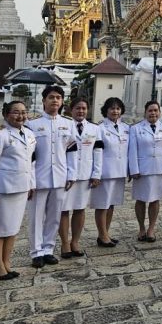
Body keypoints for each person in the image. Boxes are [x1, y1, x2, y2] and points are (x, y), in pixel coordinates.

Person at [0, 100, 35, 281]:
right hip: (2, 189)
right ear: (6, 114)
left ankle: (6, 262)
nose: (21, 116)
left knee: (12, 228)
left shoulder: (29, 133)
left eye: (24, 112)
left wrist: (31, 184)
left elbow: (30, 162)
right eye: (16, 112)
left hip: (20, 188)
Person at [27, 85, 71, 268]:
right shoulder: (33, 124)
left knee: (54, 215)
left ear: (62, 102)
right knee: (36, 216)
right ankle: (36, 251)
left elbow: (72, 151)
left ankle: (48, 248)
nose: (55, 100)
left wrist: (72, 174)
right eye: (51, 97)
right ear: (44, 100)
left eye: (58, 97)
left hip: (60, 175)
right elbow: (28, 155)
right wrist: (29, 180)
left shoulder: (68, 124)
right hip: (39, 176)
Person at [60, 98, 102, 258]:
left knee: (79, 208)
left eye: (84, 108)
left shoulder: (94, 128)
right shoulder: (63, 126)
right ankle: (65, 243)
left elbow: (98, 152)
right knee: (64, 210)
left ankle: (75, 241)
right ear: (71, 110)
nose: (81, 111)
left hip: (85, 174)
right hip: (66, 175)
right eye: (77, 108)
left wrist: (96, 173)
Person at [128, 100, 162, 242]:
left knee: (155, 199)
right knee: (141, 200)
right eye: (150, 110)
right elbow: (132, 150)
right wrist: (133, 169)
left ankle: (151, 228)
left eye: (155, 110)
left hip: (159, 169)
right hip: (142, 170)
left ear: (159, 112)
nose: (153, 113)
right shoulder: (136, 128)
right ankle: (141, 228)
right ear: (145, 112)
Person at [92, 97, 128, 247]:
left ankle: (105, 233)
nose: (115, 111)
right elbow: (97, 151)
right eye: (112, 108)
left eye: (118, 108)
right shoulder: (99, 128)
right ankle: (102, 234)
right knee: (102, 204)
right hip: (105, 172)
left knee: (111, 204)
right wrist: (97, 173)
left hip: (119, 171)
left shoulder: (126, 127)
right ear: (106, 110)